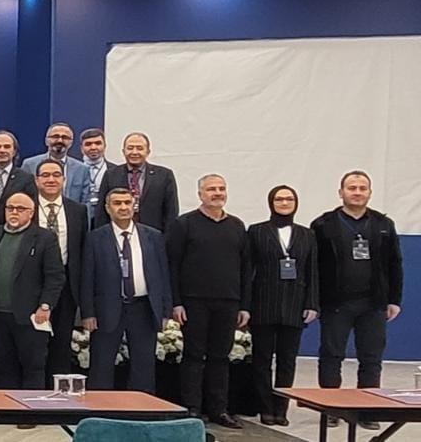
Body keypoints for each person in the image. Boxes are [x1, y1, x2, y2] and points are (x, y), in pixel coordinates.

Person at [312, 171, 402, 431]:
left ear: (370, 193)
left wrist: (393, 300)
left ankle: (368, 410)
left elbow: (395, 264)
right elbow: (313, 268)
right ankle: (331, 407)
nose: (357, 192)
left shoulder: (384, 224)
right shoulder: (323, 225)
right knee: (331, 355)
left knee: (371, 358)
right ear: (341, 192)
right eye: (352, 188)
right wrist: (314, 301)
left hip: (373, 303)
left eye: (363, 188)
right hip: (335, 303)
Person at [166, 174, 250, 429]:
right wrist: (176, 302)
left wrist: (244, 305)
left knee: (220, 357)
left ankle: (218, 409)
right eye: (211, 189)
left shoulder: (237, 225)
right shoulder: (184, 224)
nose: (217, 193)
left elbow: (246, 269)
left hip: (228, 302)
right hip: (193, 302)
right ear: (200, 194)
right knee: (193, 356)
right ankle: (192, 408)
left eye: (221, 188)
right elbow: (173, 265)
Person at [81, 188, 172, 393]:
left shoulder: (153, 236)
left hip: (143, 307)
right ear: (107, 208)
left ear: (134, 206)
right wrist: (88, 312)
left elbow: (163, 275)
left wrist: (165, 310)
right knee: (102, 364)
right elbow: (87, 277)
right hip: (107, 308)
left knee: (144, 366)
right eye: (117, 203)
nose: (123, 207)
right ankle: (101, 407)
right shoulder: (95, 238)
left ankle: (141, 407)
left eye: (127, 203)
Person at [247, 185, 318, 427]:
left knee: (288, 361)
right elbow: (247, 270)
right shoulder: (256, 231)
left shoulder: (307, 234)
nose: (284, 203)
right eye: (279, 199)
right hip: (263, 303)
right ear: (271, 202)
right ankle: (265, 408)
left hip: (295, 305)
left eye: (289, 199)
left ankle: (281, 408)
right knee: (262, 360)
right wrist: (246, 305)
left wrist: (312, 303)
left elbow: (312, 271)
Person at [0, 193, 64, 391]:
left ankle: (31, 407)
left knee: (33, 367)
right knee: (3, 367)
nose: (14, 212)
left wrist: (45, 305)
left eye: (20, 209)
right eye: (10, 208)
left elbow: (55, 276)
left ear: (31, 213)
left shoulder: (44, 238)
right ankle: (7, 406)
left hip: (31, 315)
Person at [33, 160, 89, 380]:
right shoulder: (27, 207)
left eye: (56, 175)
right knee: (35, 344)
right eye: (45, 175)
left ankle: (59, 393)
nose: (51, 179)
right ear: (36, 180)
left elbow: (82, 250)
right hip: (33, 285)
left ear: (64, 180)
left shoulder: (78, 210)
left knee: (62, 343)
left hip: (66, 285)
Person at [95, 133, 179, 231]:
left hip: (153, 235)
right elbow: (101, 211)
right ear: (123, 151)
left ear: (148, 152)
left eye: (139, 148)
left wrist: (168, 237)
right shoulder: (111, 175)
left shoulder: (164, 175)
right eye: (130, 148)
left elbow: (171, 212)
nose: (134, 152)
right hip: (118, 233)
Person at [20, 124, 92, 212]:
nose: (60, 140)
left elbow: (86, 201)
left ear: (71, 143)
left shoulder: (82, 169)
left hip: (71, 217)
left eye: (65, 137)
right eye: (55, 136)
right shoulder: (29, 165)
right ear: (46, 141)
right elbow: (22, 194)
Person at [0, 131, 38, 232]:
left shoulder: (26, 179)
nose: (2, 150)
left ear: (14, 151)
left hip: (13, 233)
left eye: (7, 147)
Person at [78, 128, 110, 219]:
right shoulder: (74, 170)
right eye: (88, 144)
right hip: (80, 217)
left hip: (106, 218)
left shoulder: (116, 171)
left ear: (105, 146)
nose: (93, 147)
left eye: (98, 143)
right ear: (81, 148)